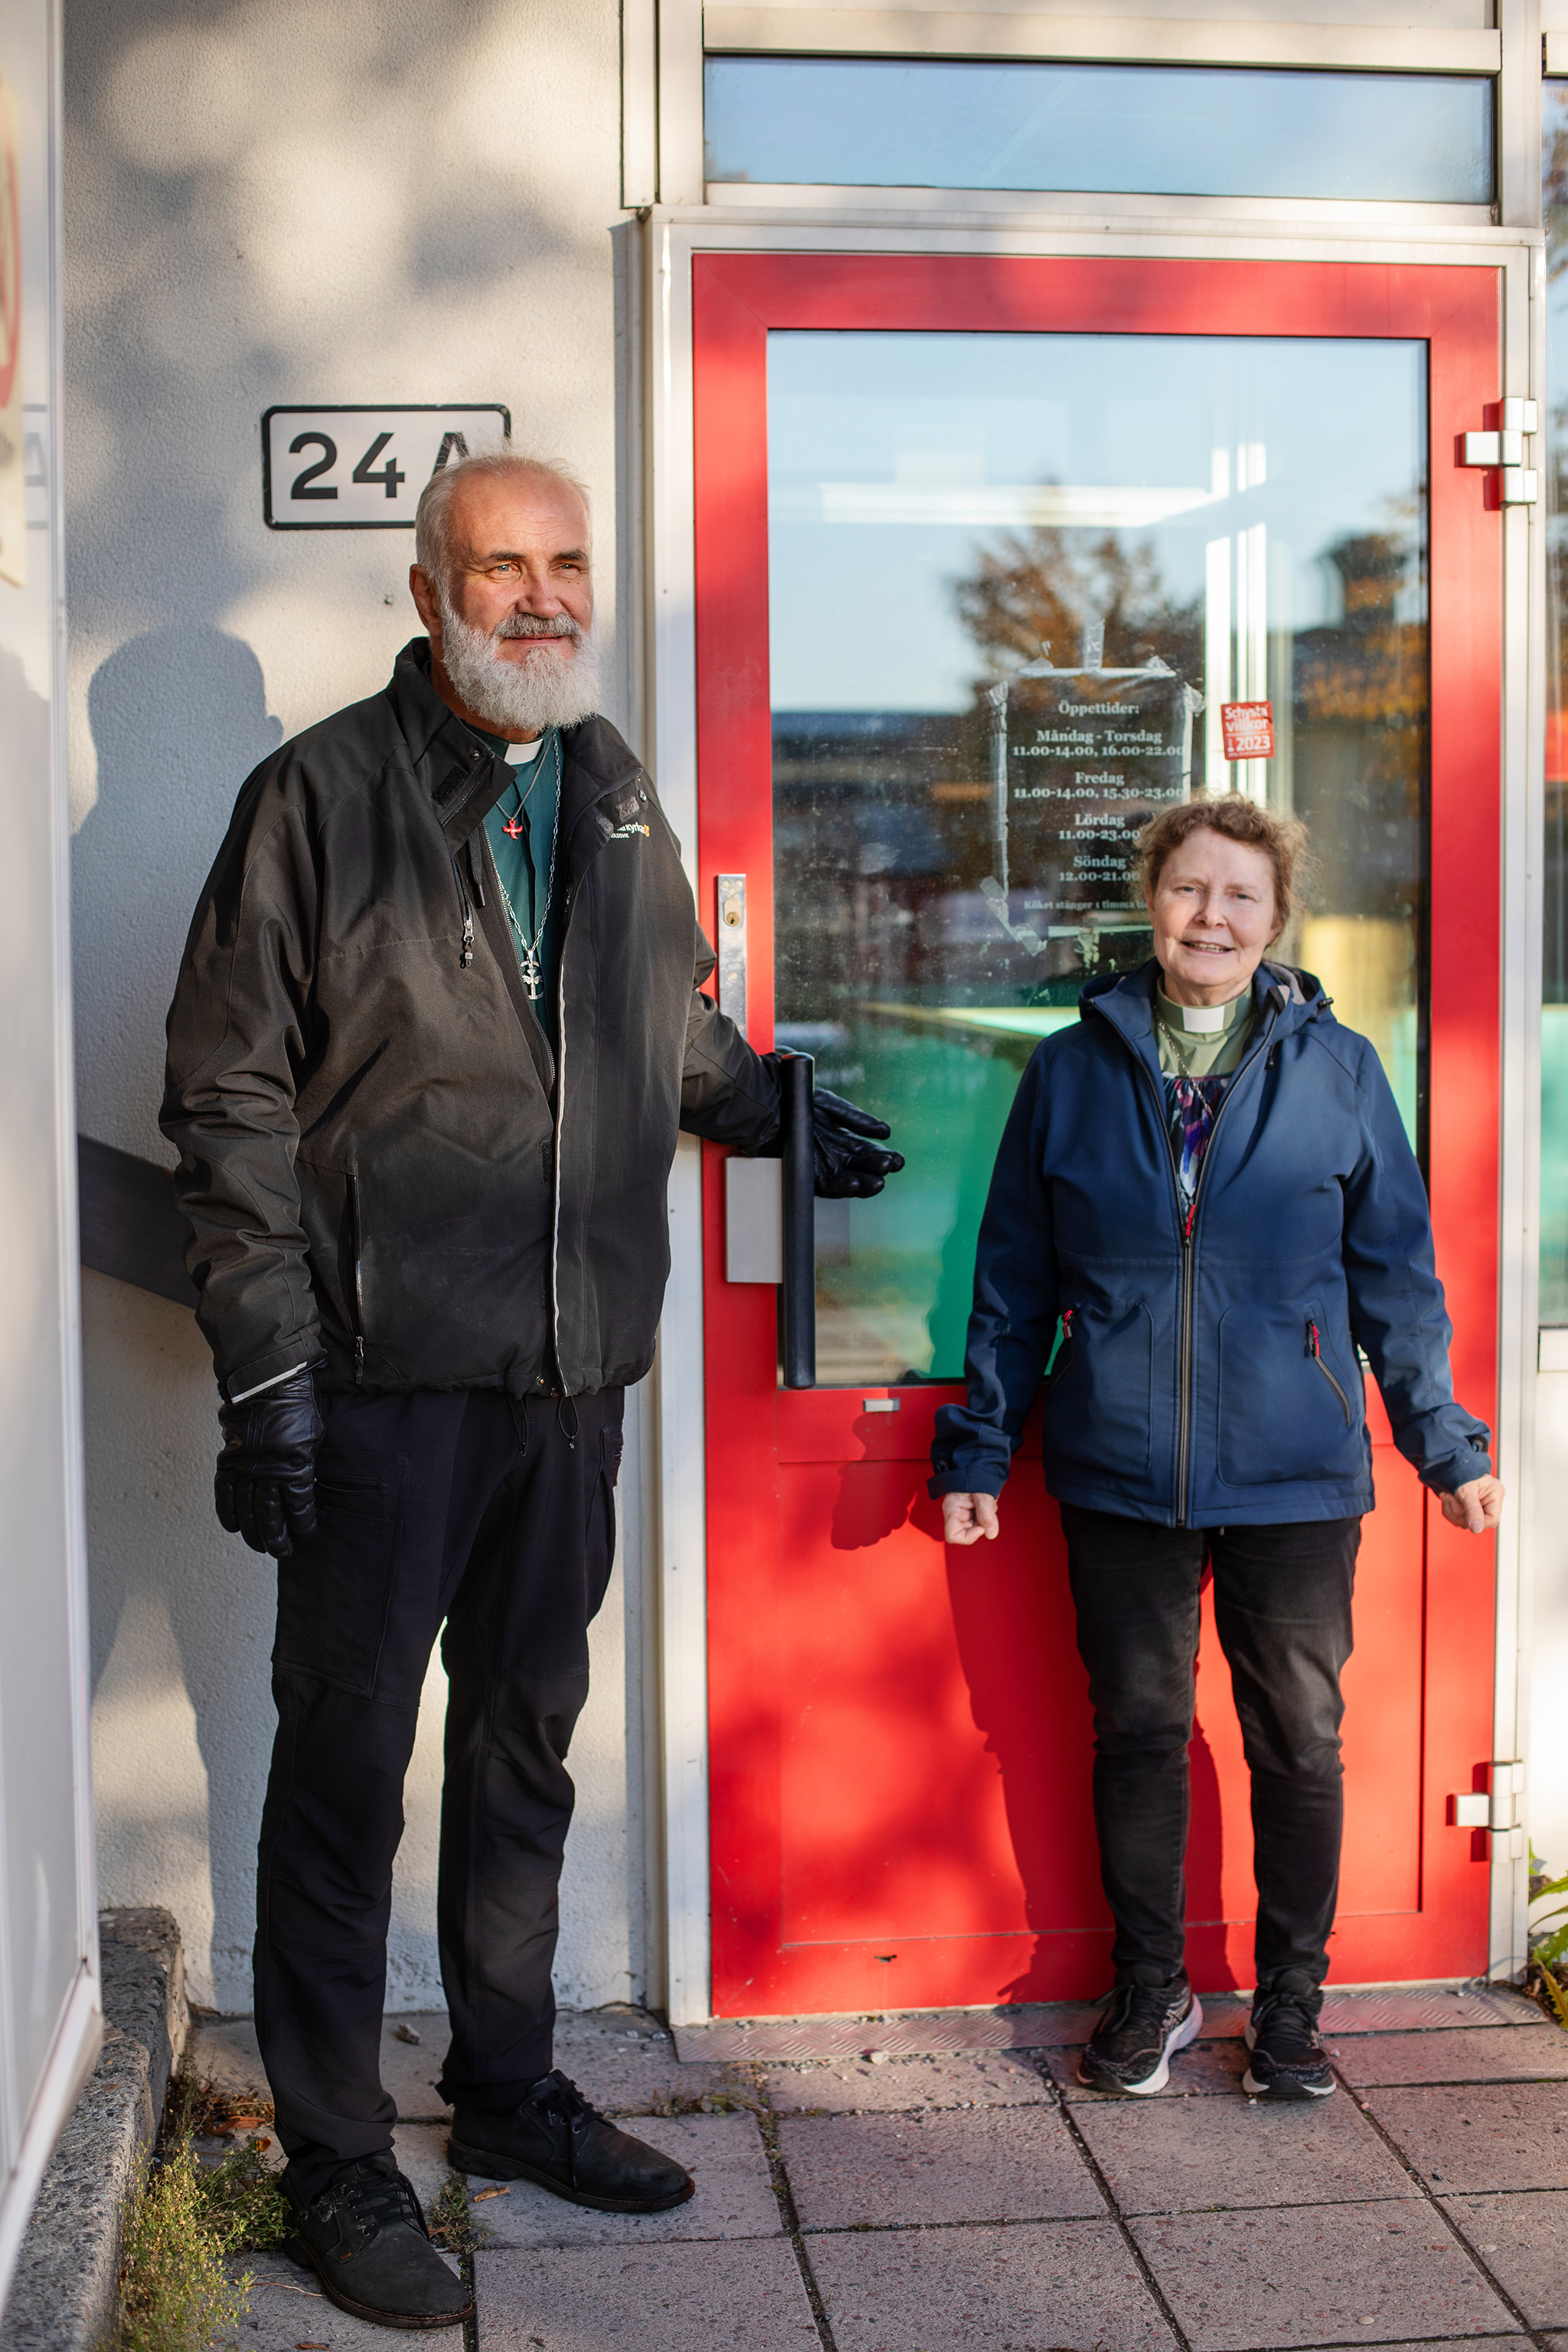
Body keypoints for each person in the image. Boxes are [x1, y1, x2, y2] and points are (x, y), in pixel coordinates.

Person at [162, 449, 902, 2328]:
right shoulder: (313, 798)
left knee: (519, 1750)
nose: (543, 595)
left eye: (568, 561)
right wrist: (265, 1377)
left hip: (574, 1384)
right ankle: (335, 2156)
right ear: (428, 593)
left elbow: (661, 1030)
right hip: (374, 1381)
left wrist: (773, 1108)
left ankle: (502, 2092)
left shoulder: (613, 782)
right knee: (341, 1773)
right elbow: (229, 1100)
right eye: (502, 566)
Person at [930, 794, 1501, 2103]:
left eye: (1241, 895)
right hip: (1122, 1463)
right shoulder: (1071, 1069)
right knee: (1135, 1730)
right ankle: (1154, 1988)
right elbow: (1012, 1280)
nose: (1212, 917)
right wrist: (977, 1450)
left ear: (1275, 916)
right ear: (1153, 900)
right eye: (1190, 889)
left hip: (1296, 1471)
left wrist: (1445, 1443)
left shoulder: (1342, 1069)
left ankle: (1293, 2003)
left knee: (1300, 1738)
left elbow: (1397, 1282)